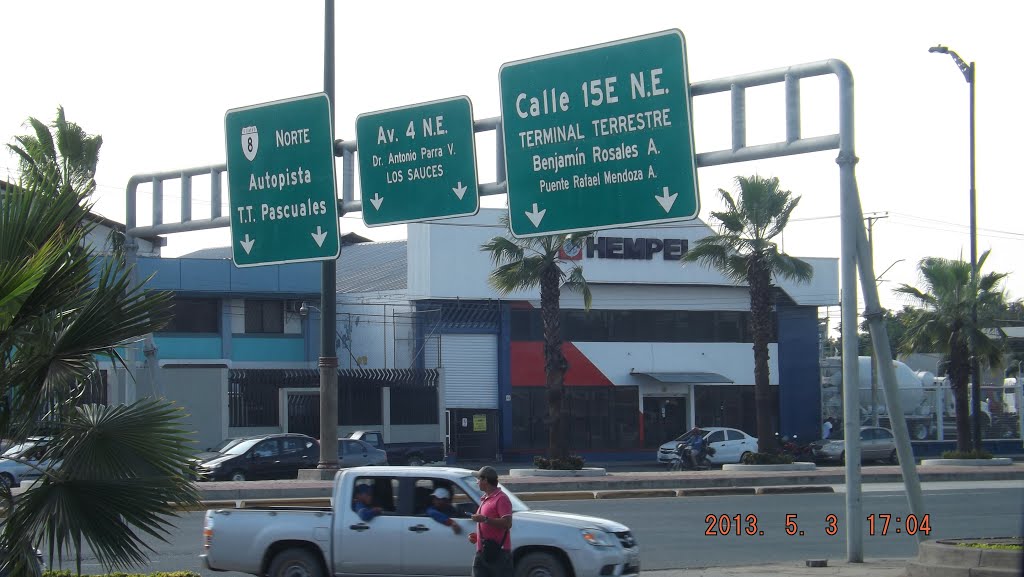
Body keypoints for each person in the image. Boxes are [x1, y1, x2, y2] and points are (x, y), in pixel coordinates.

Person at [468, 466, 513, 577]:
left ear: (485, 480)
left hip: (498, 553)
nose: (477, 482)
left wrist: (485, 519)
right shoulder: (485, 499)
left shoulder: (501, 498)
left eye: (479, 479)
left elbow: (507, 523)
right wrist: (477, 537)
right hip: (483, 552)